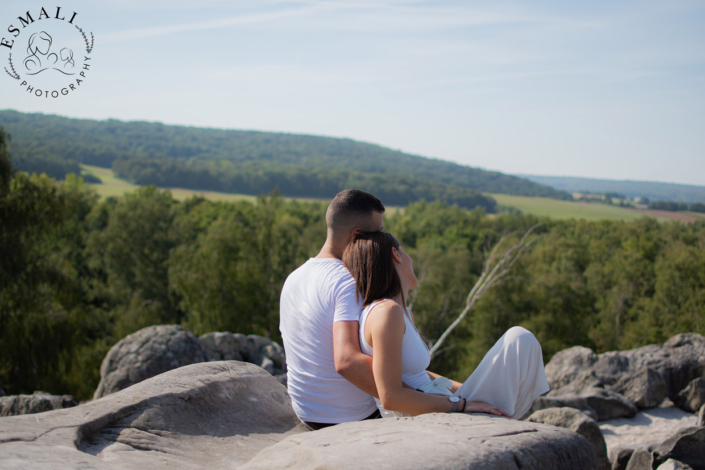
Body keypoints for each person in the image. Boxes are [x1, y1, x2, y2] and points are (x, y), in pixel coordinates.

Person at [342, 231, 550, 418]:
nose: (409, 259)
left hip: (440, 402)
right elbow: (390, 396)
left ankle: (501, 416)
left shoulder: (400, 313)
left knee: (521, 341)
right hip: (423, 417)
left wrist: (463, 391)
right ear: (396, 255)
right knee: (519, 339)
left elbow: (417, 375)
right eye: (405, 252)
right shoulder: (386, 313)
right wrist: (460, 404)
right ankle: (503, 418)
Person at [279, 189, 385, 430]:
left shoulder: (293, 278)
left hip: (305, 412)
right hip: (348, 419)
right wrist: (413, 393)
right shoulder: (347, 282)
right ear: (357, 235)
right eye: (378, 234)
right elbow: (347, 361)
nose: (382, 240)